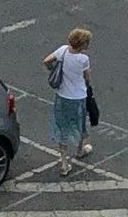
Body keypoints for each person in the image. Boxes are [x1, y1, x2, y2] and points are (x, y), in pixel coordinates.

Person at [40, 28, 94, 175]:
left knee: (62, 126)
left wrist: (54, 70)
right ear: (82, 45)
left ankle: (64, 162)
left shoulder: (63, 51)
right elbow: (87, 78)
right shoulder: (83, 59)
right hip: (78, 97)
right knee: (80, 123)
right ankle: (80, 149)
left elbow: (46, 61)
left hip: (62, 96)